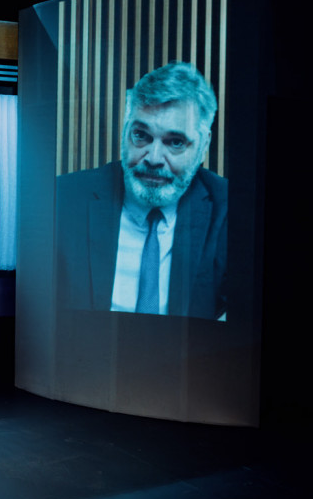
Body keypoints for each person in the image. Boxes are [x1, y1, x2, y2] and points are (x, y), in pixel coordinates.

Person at [56, 62, 227, 320]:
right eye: (141, 135)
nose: (154, 158)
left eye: (175, 142)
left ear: (203, 146)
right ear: (125, 131)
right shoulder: (62, 200)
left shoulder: (229, 207)